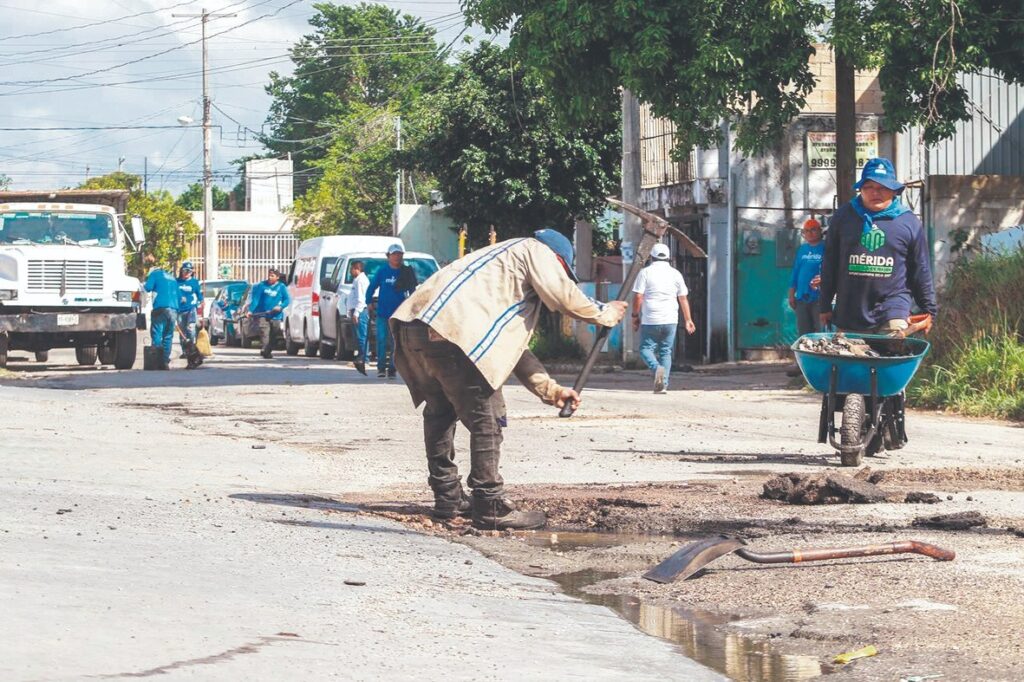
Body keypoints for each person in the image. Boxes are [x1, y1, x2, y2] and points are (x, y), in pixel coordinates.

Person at [391, 229, 627, 530]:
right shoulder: (534, 250)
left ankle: (447, 497)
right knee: (488, 419)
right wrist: (604, 313)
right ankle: (489, 504)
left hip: (413, 327)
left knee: (440, 412)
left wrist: (552, 391)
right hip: (451, 331)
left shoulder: (496, 271)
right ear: (558, 260)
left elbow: (513, 350)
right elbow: (564, 295)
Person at [818, 157, 937, 335]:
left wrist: (929, 310)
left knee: (892, 352)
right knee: (849, 359)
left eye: (882, 188)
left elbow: (921, 268)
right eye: (869, 187)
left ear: (893, 190)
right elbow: (830, 263)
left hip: (893, 308)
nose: (876, 193)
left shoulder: (909, 222)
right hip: (850, 310)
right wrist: (825, 304)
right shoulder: (843, 217)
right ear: (861, 189)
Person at [630, 243, 696, 394]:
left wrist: (635, 315)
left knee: (646, 349)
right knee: (666, 351)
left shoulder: (645, 273)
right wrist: (688, 319)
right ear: (669, 258)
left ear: (651, 257)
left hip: (651, 319)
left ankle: (656, 368)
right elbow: (683, 298)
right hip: (671, 319)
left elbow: (638, 296)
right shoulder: (676, 274)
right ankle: (663, 385)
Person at [365, 244, 416, 378]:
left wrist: (412, 306)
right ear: (388, 256)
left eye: (399, 254)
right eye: (394, 254)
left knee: (396, 342)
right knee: (381, 339)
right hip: (383, 312)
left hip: (399, 314)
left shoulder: (406, 272)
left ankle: (393, 368)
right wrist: (368, 301)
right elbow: (372, 287)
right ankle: (381, 367)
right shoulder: (382, 271)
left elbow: (412, 291)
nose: (397, 257)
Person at [786, 217, 825, 376]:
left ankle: (821, 363)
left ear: (820, 231)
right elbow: (795, 272)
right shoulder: (802, 250)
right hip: (802, 297)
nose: (810, 233)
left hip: (820, 297)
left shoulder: (826, 248)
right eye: (806, 231)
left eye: (813, 229)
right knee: (803, 332)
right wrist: (791, 294)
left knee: (820, 331)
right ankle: (803, 364)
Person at [143, 254, 179, 369]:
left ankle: (156, 361)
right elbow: (178, 295)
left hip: (160, 309)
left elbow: (148, 288)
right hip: (173, 310)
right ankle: (165, 362)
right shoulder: (172, 277)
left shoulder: (154, 275)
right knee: (168, 336)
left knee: (157, 335)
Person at [246, 268, 291, 359]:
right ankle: (265, 349)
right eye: (269, 275)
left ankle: (268, 349)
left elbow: (287, 300)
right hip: (262, 314)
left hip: (275, 315)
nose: (270, 277)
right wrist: (250, 310)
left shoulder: (281, 287)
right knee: (264, 332)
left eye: (272, 276)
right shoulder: (262, 285)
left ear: (277, 277)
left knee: (274, 333)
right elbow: (256, 299)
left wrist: (280, 306)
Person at [346, 260, 370, 376]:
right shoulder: (357, 280)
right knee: (359, 336)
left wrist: (356, 313)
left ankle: (364, 359)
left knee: (362, 336)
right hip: (356, 311)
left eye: (352, 269)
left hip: (360, 312)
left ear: (357, 269)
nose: (351, 272)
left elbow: (361, 299)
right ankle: (362, 357)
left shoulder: (360, 281)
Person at [175, 261, 203, 359]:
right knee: (182, 331)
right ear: (181, 271)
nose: (187, 273)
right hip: (179, 310)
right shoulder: (177, 282)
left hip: (191, 309)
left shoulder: (194, 282)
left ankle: (191, 349)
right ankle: (184, 351)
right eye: (185, 270)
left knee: (190, 329)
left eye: (189, 271)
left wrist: (201, 301)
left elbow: (199, 294)